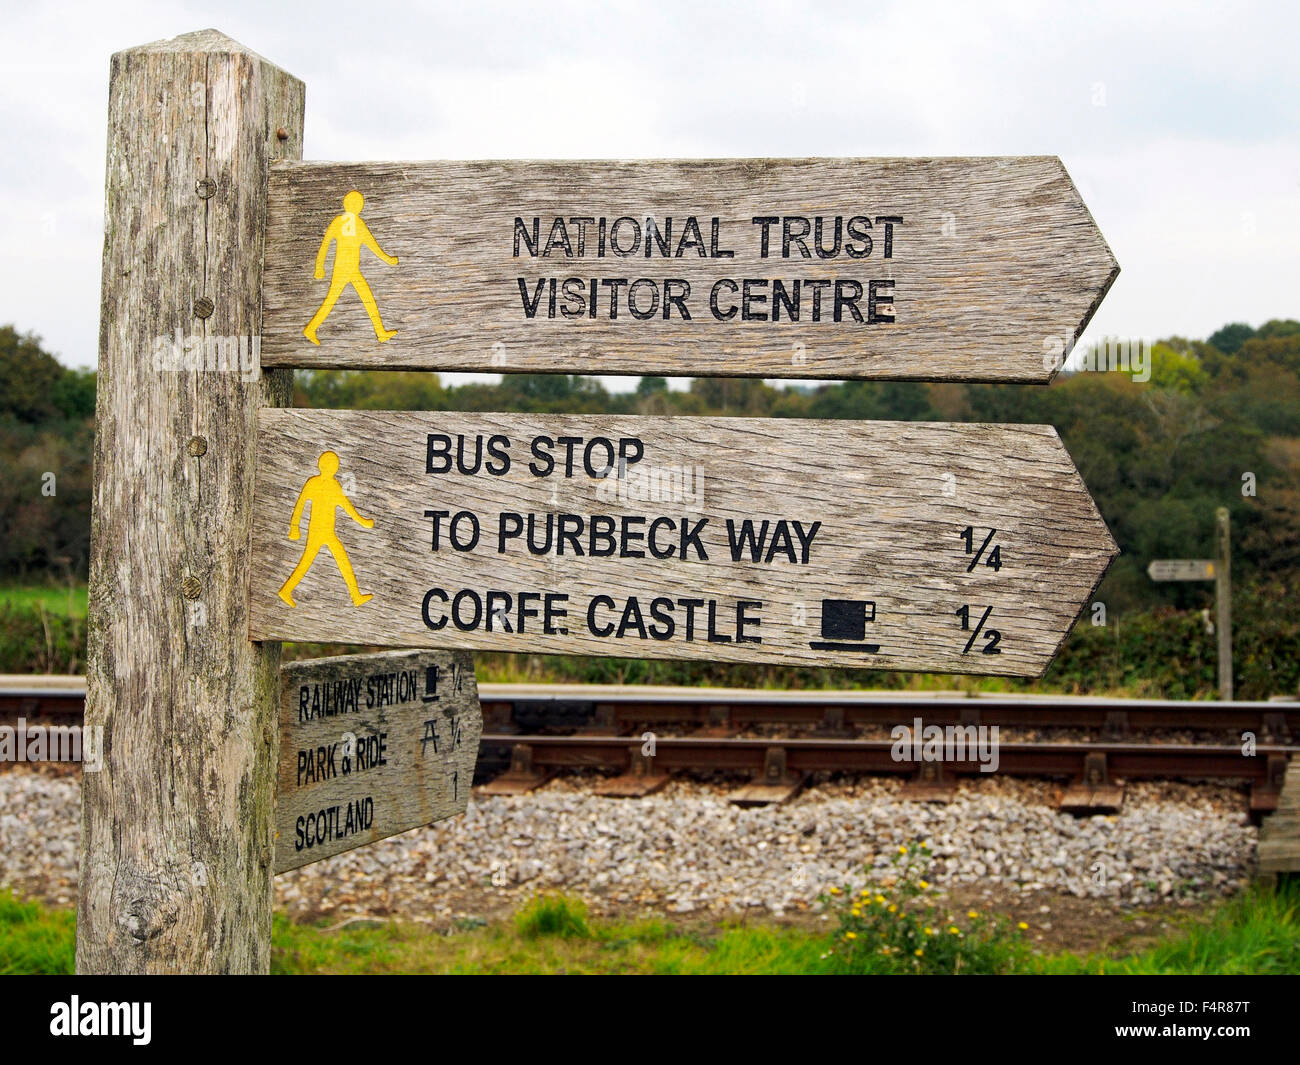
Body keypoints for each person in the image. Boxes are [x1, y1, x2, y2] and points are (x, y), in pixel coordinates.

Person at [278, 450, 374, 607]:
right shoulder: (312, 483)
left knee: (341, 560)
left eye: (333, 465)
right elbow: (300, 505)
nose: (331, 468)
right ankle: (286, 590)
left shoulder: (334, 486)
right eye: (328, 464)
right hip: (316, 532)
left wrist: (363, 522)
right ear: (321, 465)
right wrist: (294, 527)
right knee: (307, 562)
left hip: (328, 532)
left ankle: (356, 595)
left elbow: (346, 506)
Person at [303, 189, 399, 344]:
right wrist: (319, 267)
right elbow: (325, 245)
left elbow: (372, 245)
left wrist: (388, 260)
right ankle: (310, 329)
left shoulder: (348, 222)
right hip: (344, 270)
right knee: (332, 301)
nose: (357, 206)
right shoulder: (343, 222)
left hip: (351, 270)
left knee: (365, 298)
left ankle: (380, 332)